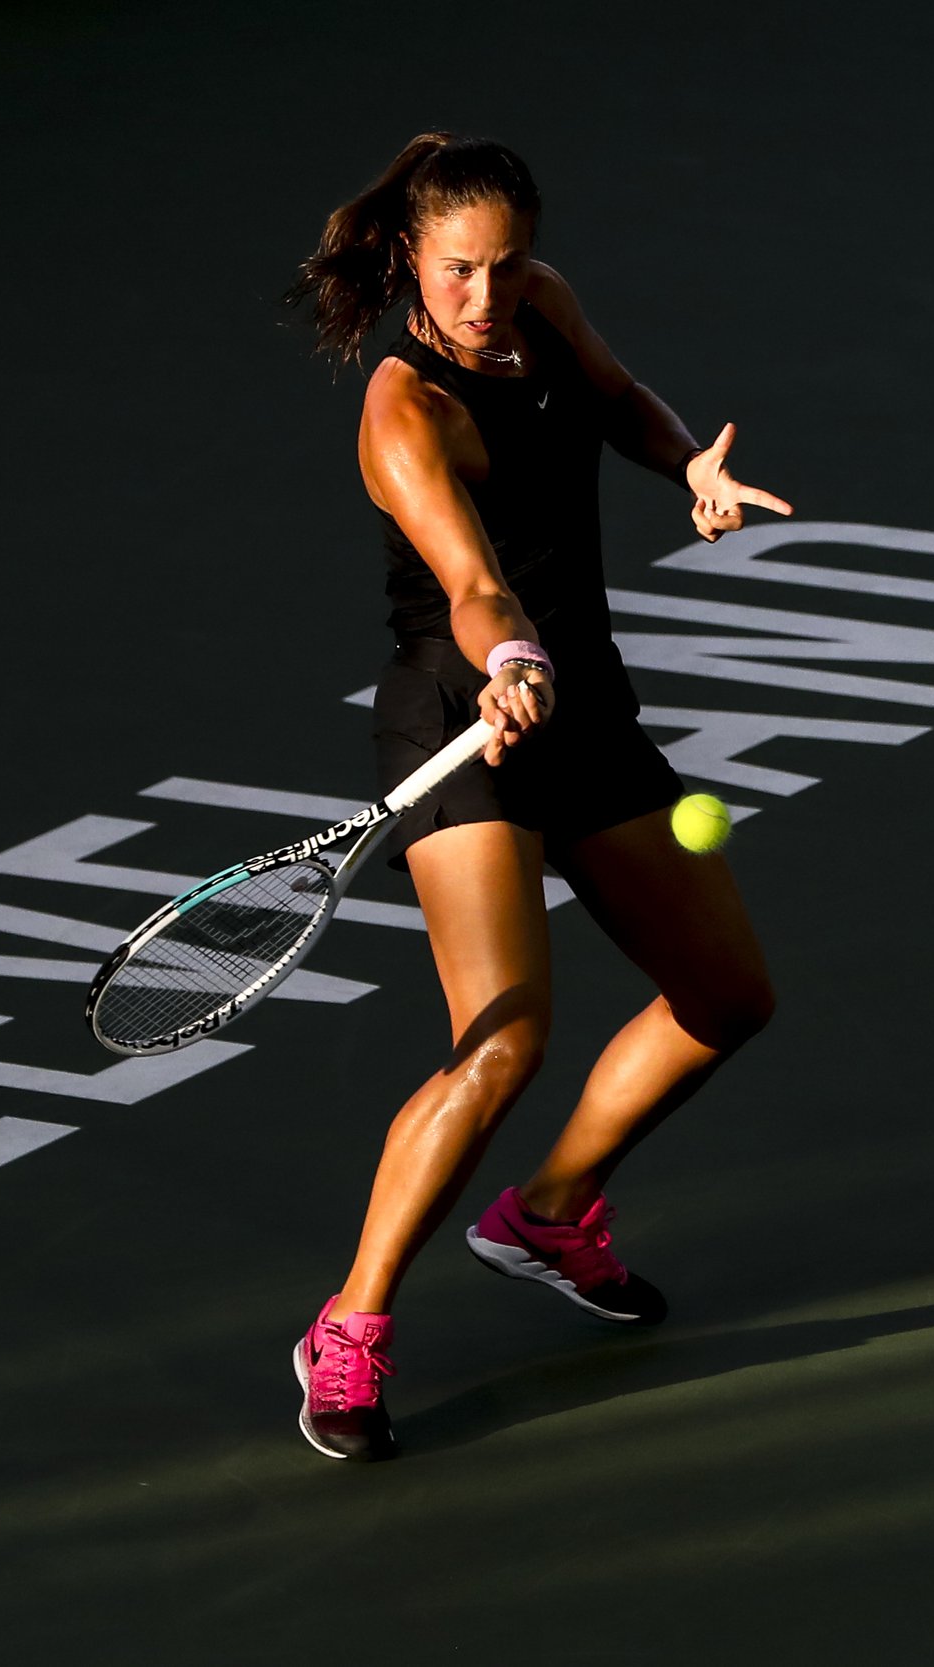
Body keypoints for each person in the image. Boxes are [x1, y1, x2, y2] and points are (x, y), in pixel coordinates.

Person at [283, 132, 787, 1461]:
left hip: (585, 704)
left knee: (728, 998)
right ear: (411, 256)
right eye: (460, 271)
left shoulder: (539, 304)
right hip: (464, 713)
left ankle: (553, 1215)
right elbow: (473, 584)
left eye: (505, 267)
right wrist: (508, 659)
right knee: (503, 1042)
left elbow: (619, 400)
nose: (486, 296)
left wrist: (688, 464)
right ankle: (350, 1323)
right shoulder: (404, 411)